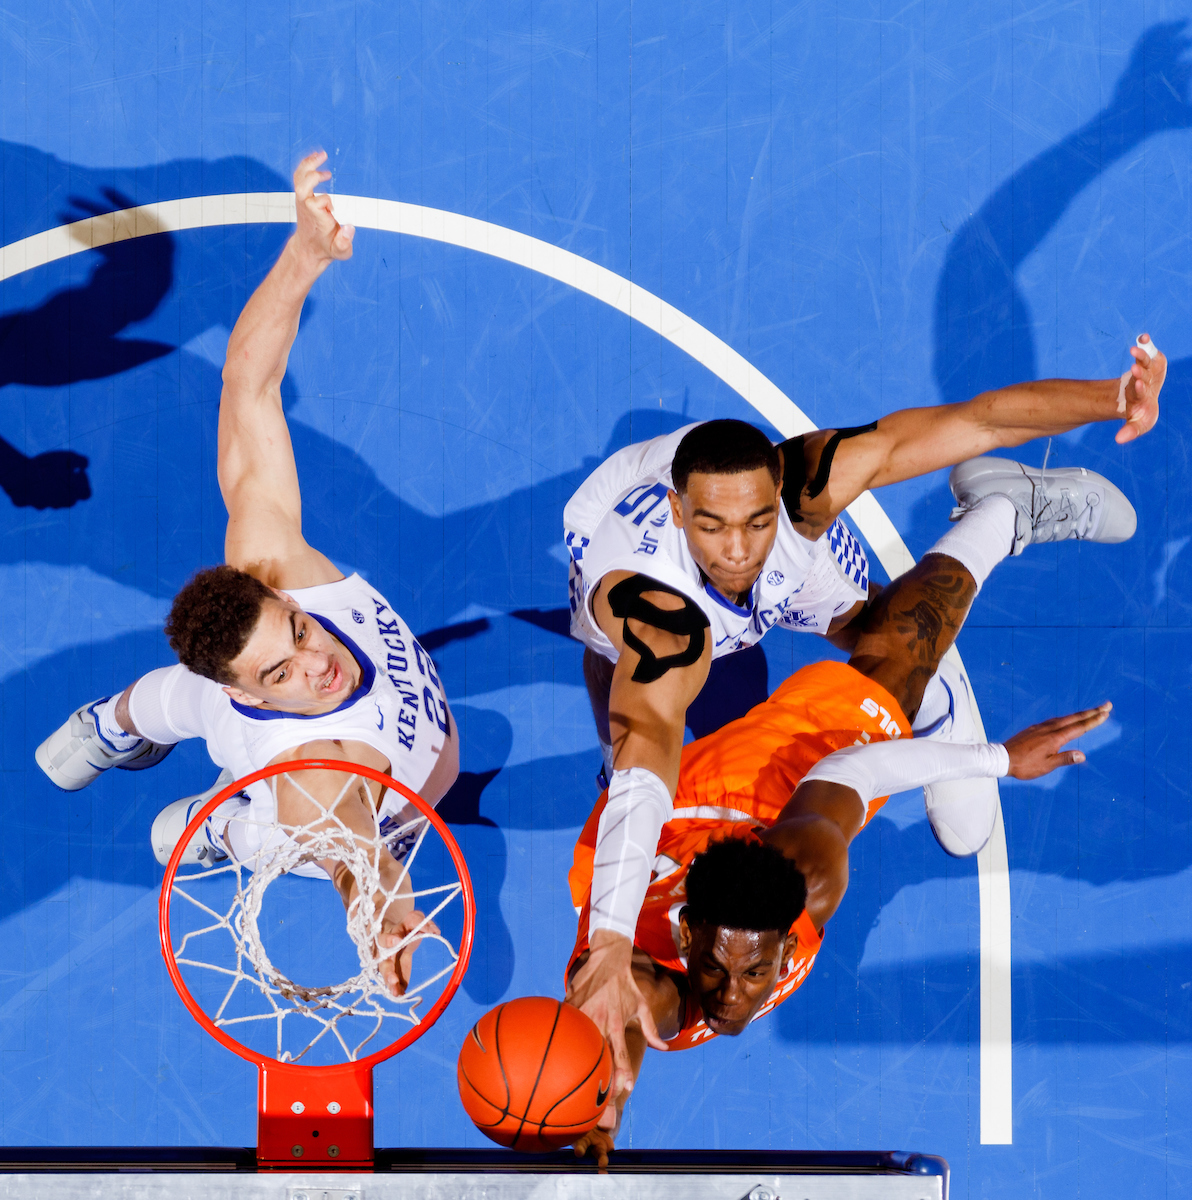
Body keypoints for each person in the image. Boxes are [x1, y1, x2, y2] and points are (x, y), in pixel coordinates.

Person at [563, 342, 1165, 1059]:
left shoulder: (800, 495)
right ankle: (913, 694)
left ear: (778, 492)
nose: (736, 552)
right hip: (625, 562)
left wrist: (1112, 397)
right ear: (678, 508)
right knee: (627, 701)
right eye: (713, 527)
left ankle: (1003, 515)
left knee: (884, 639)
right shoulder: (663, 625)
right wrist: (609, 941)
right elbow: (648, 753)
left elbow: (975, 422)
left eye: (754, 524)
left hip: (772, 555)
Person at [34, 152, 458, 998]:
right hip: (295, 792)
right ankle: (166, 775)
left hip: (268, 759)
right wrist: (381, 912)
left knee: (215, 761)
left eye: (296, 630)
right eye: (281, 673)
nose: (314, 661)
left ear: (281, 597)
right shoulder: (309, 770)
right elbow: (350, 844)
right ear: (254, 696)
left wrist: (303, 255)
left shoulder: (283, 569)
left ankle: (168, 775)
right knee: (214, 757)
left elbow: (248, 386)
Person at [564, 521, 1113, 1166]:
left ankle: (999, 514)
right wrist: (603, 1115)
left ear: (789, 942)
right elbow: (629, 1008)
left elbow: (849, 770)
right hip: (680, 836)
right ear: (688, 937)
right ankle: (628, 752)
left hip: (745, 788)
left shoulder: (811, 874)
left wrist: (999, 759)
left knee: (896, 664)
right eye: (718, 966)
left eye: (752, 971)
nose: (733, 996)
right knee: (639, 755)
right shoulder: (657, 976)